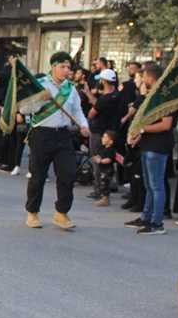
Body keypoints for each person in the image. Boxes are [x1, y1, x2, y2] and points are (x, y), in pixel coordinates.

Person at [23, 51, 90, 230]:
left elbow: (77, 111)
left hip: (63, 135)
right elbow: (24, 109)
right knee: (38, 176)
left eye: (68, 67)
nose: (66, 70)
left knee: (68, 174)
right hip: (42, 134)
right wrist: (41, 100)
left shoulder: (71, 88)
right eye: (62, 67)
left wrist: (84, 125)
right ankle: (32, 212)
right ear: (53, 67)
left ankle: (61, 212)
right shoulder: (40, 84)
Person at [127, 64, 175, 234]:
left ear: (151, 77)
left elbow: (165, 124)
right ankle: (146, 217)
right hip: (148, 144)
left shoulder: (165, 96)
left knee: (156, 185)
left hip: (158, 146)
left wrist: (142, 129)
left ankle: (157, 222)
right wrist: (139, 135)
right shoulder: (153, 96)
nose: (142, 79)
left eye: (144, 76)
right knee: (149, 185)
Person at [82, 68, 121, 201]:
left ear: (104, 81)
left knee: (97, 161)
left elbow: (92, 112)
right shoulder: (116, 95)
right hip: (111, 132)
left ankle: (99, 189)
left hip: (99, 132)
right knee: (107, 162)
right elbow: (98, 104)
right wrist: (88, 93)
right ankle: (104, 188)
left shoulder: (105, 99)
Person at [92, 130, 117, 207]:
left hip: (107, 171)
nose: (102, 138)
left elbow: (108, 160)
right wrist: (97, 157)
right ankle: (103, 198)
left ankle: (105, 199)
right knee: (102, 184)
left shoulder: (111, 150)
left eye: (105, 137)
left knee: (105, 185)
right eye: (103, 137)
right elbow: (100, 156)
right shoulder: (103, 148)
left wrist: (100, 161)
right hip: (102, 170)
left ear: (111, 142)